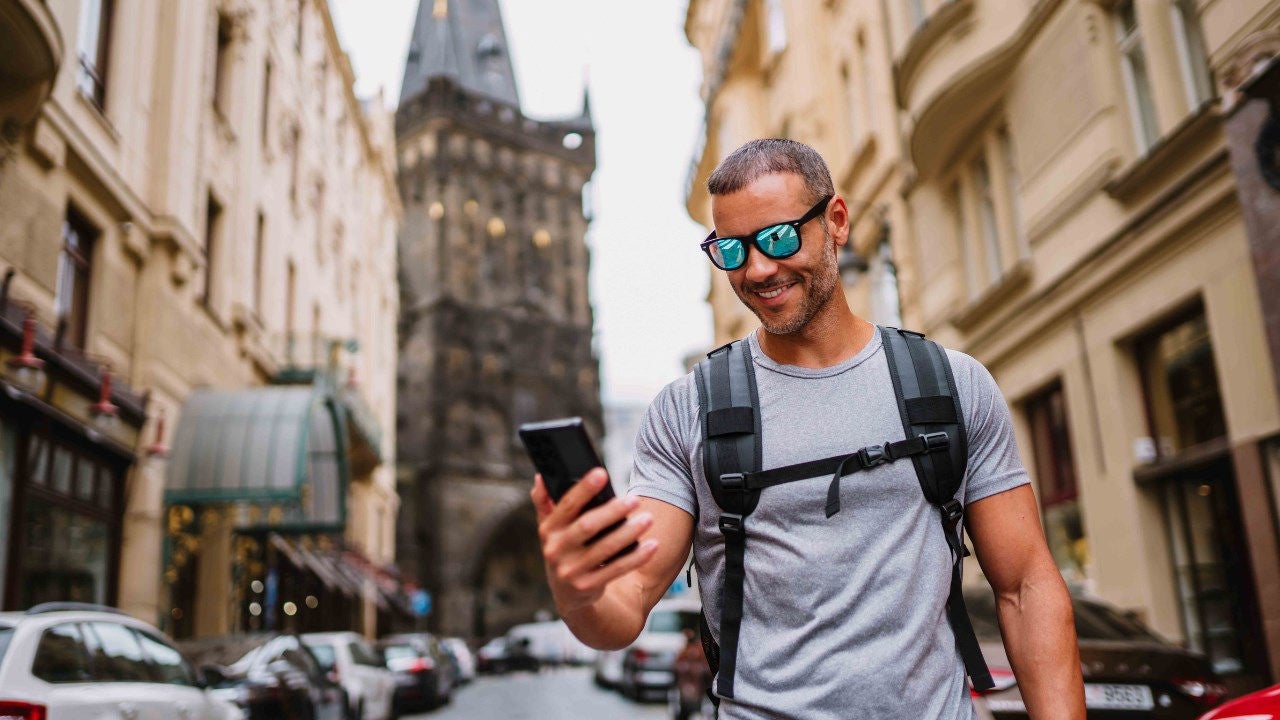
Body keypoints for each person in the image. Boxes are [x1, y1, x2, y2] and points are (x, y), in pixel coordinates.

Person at [531, 138, 1086, 719]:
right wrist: (579, 587)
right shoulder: (686, 412)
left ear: (836, 222)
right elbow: (627, 605)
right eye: (731, 249)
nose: (758, 269)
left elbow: (1026, 588)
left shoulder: (949, 385)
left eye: (778, 237)